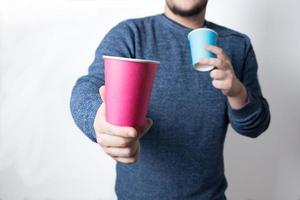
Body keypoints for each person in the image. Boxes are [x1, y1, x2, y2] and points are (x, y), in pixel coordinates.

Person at [70, 0, 271, 199]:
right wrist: (97, 119)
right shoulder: (131, 34)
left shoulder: (238, 45)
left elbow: (255, 127)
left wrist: (237, 93)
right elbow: (89, 87)